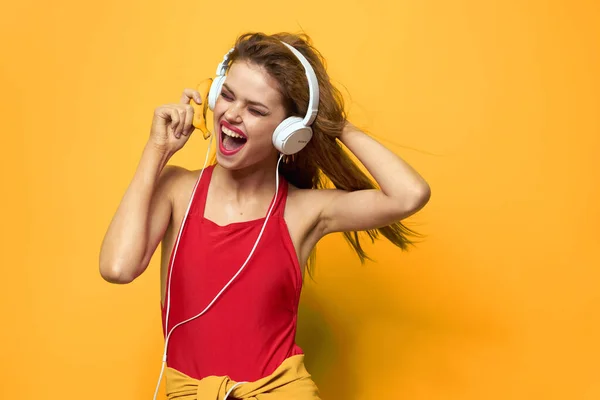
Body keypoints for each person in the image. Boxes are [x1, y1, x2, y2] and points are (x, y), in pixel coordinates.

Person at [99, 32, 431, 399]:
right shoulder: (177, 189)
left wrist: (332, 122)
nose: (232, 114)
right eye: (226, 95)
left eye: (256, 110)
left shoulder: (304, 211)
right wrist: (157, 149)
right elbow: (117, 267)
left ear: (289, 133)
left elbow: (409, 195)